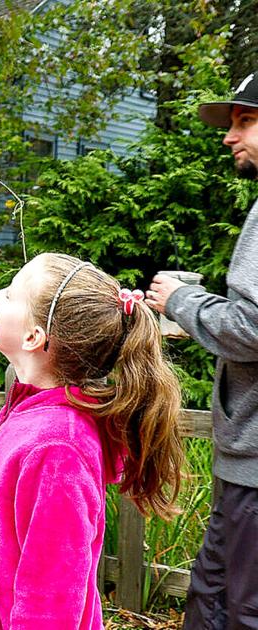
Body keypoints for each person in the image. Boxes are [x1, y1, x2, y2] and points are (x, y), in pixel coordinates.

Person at [0, 253, 185, 629]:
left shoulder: (56, 448)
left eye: (11, 295)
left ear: (34, 336)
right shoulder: (32, 418)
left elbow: (51, 601)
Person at [146, 72, 258, 630]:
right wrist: (198, 318)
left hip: (255, 471)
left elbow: (253, 328)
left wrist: (182, 300)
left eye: (245, 120)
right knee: (211, 594)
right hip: (243, 464)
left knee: (239, 610)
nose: (228, 136)